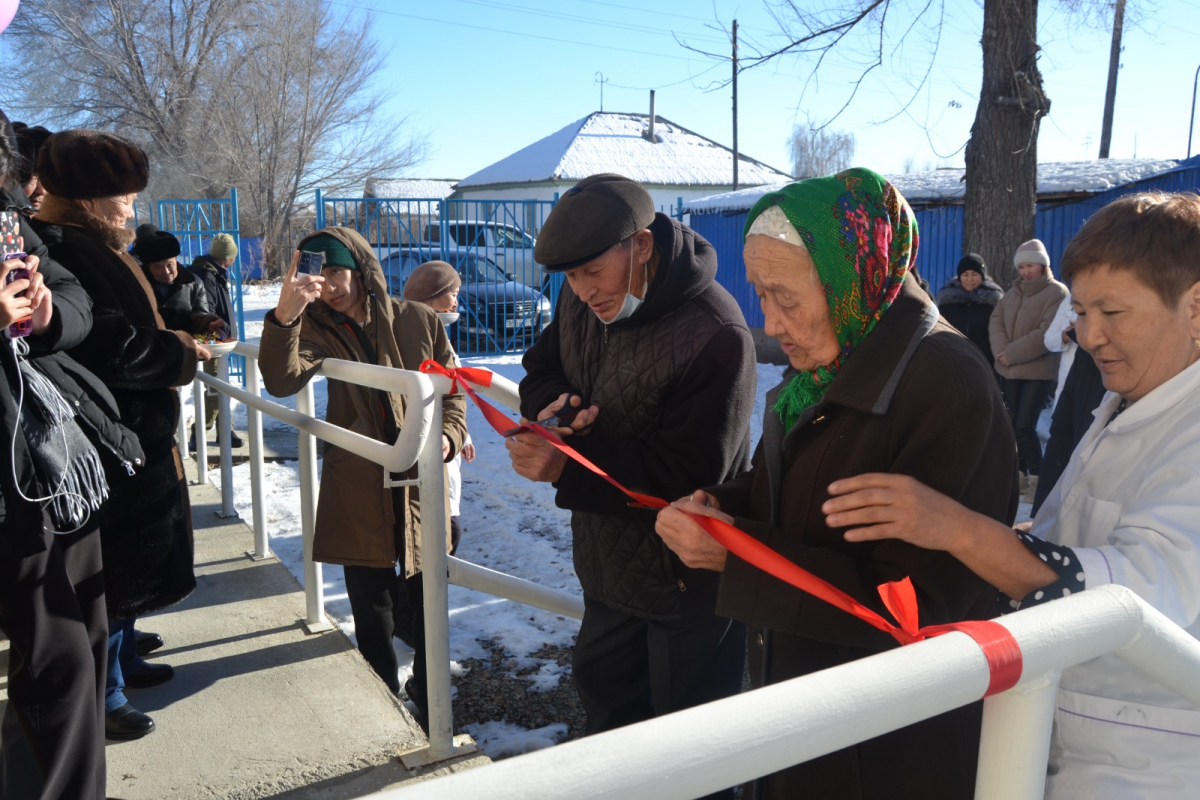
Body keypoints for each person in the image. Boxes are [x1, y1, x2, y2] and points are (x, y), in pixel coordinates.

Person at [819, 191, 1200, 798]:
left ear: (1195, 308)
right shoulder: (1134, 398)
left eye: (1112, 312)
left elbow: (1137, 592)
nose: (1089, 334)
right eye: (1081, 311)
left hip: (1143, 764)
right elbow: (1083, 536)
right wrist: (1015, 539)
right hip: (1069, 733)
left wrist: (956, 529)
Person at [654, 168, 1018, 800]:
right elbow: (799, 490)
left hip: (884, 752)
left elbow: (919, 608)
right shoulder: (830, 366)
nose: (770, 322)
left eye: (785, 297)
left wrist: (740, 558)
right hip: (813, 713)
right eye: (760, 294)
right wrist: (723, 507)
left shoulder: (945, 383)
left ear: (853, 276)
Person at [507, 173, 756, 769]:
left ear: (641, 245)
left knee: (692, 757)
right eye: (570, 277)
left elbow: (688, 476)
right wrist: (556, 409)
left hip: (687, 589)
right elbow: (540, 366)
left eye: (593, 271)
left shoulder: (715, 331)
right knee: (610, 737)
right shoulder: (580, 298)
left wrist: (566, 466)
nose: (582, 290)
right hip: (607, 569)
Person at [31, 129, 204, 741]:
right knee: (108, 571)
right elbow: (109, 344)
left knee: (129, 567)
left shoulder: (96, 243)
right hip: (110, 435)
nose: (131, 210)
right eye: (123, 199)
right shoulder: (68, 248)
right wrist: (179, 353)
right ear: (87, 198)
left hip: (133, 431)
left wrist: (183, 332)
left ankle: (123, 660)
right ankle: (104, 695)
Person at [258, 228, 467, 723]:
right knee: (372, 607)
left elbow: (453, 391)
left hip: (419, 479)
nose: (330, 285)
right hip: (358, 478)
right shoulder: (312, 327)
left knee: (427, 596)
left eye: (337, 271)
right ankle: (383, 706)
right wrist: (286, 316)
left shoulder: (416, 318)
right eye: (319, 273)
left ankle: (430, 694)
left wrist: (450, 437)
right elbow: (280, 380)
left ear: (360, 268)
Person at [1, 112, 135, 800]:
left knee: (85, 637)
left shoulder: (7, 222)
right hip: (13, 476)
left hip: (54, 457)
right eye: (123, 197)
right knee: (59, 664)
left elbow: (73, 299)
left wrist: (45, 312)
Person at [401, 260, 476, 556]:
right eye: (452, 293)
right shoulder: (416, 337)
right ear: (431, 298)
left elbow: (453, 391)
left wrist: (462, 435)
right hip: (428, 445)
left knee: (446, 522)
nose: (456, 301)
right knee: (443, 530)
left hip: (445, 441)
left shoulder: (439, 334)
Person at [988, 238, 1068, 502]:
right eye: (1021, 267)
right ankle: (1020, 477)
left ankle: (1037, 479)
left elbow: (1045, 332)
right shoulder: (1012, 294)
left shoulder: (1056, 293)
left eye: (1030, 265)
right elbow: (996, 323)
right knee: (1011, 425)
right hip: (1009, 371)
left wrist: (1010, 354)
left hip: (1037, 372)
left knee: (1025, 425)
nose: (1026, 272)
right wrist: (1002, 352)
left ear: (1043, 266)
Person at [190, 231, 241, 448]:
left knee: (220, 387)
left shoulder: (212, 272)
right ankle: (199, 433)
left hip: (217, 340)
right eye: (233, 256)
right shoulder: (208, 276)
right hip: (212, 341)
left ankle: (225, 431)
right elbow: (208, 313)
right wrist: (222, 332)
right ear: (227, 257)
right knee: (215, 389)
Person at [132, 227, 219, 335]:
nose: (166, 271)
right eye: (158, 267)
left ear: (176, 260)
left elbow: (202, 320)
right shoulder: (138, 285)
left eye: (170, 265)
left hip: (185, 343)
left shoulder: (194, 283)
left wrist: (208, 324)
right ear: (148, 267)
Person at [935, 252, 1003, 359]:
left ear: (982, 276)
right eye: (965, 274)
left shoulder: (993, 300)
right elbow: (941, 328)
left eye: (975, 274)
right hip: (952, 356)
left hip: (985, 359)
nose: (970, 279)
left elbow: (998, 330)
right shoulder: (947, 301)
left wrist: (979, 351)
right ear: (960, 277)